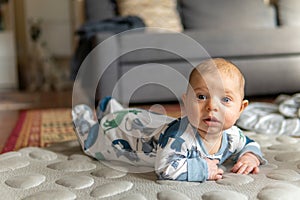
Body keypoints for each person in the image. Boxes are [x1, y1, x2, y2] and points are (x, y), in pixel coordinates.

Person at [72, 58, 266, 182]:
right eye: (201, 97)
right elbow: (164, 168)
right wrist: (202, 169)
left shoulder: (232, 135)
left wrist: (250, 156)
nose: (212, 107)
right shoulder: (180, 137)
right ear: (186, 101)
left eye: (225, 99)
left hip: (149, 123)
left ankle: (110, 107)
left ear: (241, 108)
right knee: (97, 139)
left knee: (142, 119)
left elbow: (248, 143)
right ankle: (84, 118)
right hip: (122, 135)